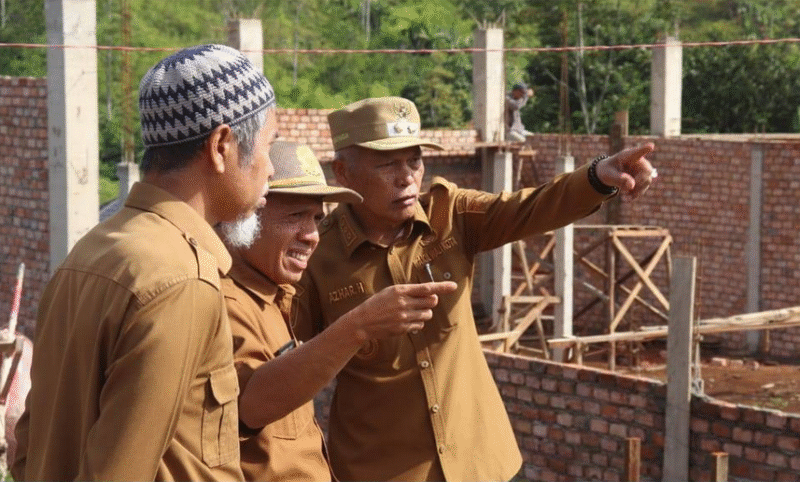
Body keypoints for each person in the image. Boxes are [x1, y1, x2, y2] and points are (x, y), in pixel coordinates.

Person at [295, 96, 656, 481]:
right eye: (387, 164)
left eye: (414, 161)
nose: (406, 178)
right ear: (342, 173)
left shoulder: (451, 215)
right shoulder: (315, 256)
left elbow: (531, 207)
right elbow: (287, 366)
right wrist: (355, 328)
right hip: (382, 470)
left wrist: (598, 177)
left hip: (481, 462)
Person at [12, 44, 278, 481]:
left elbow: (29, 451)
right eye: (268, 145)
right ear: (221, 146)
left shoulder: (92, 250)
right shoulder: (180, 279)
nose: (270, 169)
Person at [219, 141, 456, 481]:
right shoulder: (227, 301)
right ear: (246, 217)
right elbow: (252, 407)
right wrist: (360, 325)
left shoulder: (277, 293)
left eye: (317, 218)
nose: (312, 235)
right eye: (294, 217)